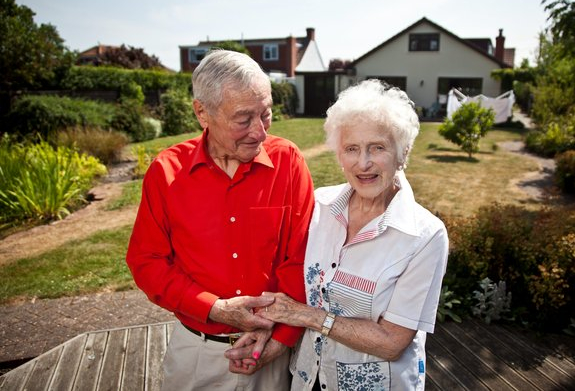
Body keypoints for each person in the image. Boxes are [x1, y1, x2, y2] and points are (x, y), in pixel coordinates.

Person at [226, 79, 449, 390]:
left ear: (404, 152)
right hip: (308, 378)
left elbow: (391, 342)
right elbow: (293, 284)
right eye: (351, 149)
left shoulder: (424, 236)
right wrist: (269, 334)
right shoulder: (319, 206)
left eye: (378, 148)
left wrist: (308, 316)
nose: (364, 163)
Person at [126, 49, 315, 390]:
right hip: (197, 356)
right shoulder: (166, 172)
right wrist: (213, 308)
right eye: (244, 119)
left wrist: (282, 339)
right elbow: (147, 262)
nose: (259, 132)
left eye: (266, 115)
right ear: (203, 112)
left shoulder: (288, 162)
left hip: (270, 350)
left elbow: (301, 260)